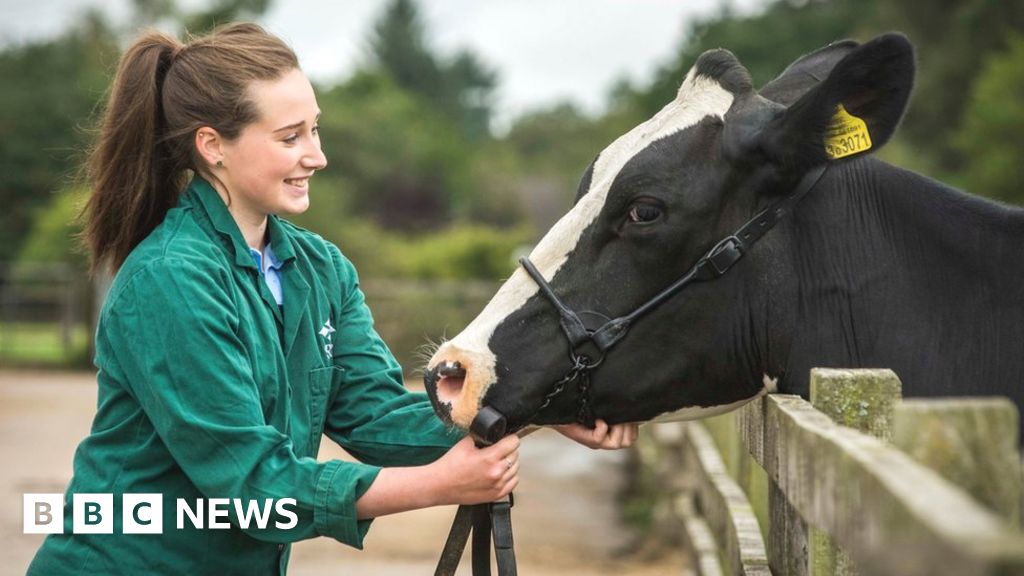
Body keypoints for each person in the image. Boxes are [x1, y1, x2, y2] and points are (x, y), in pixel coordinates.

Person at [27, 22, 639, 575]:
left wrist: (546, 412)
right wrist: (439, 484)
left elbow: (375, 415)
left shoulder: (320, 269)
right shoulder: (169, 281)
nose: (316, 156)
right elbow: (254, 487)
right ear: (212, 145)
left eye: (314, 129)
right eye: (290, 137)